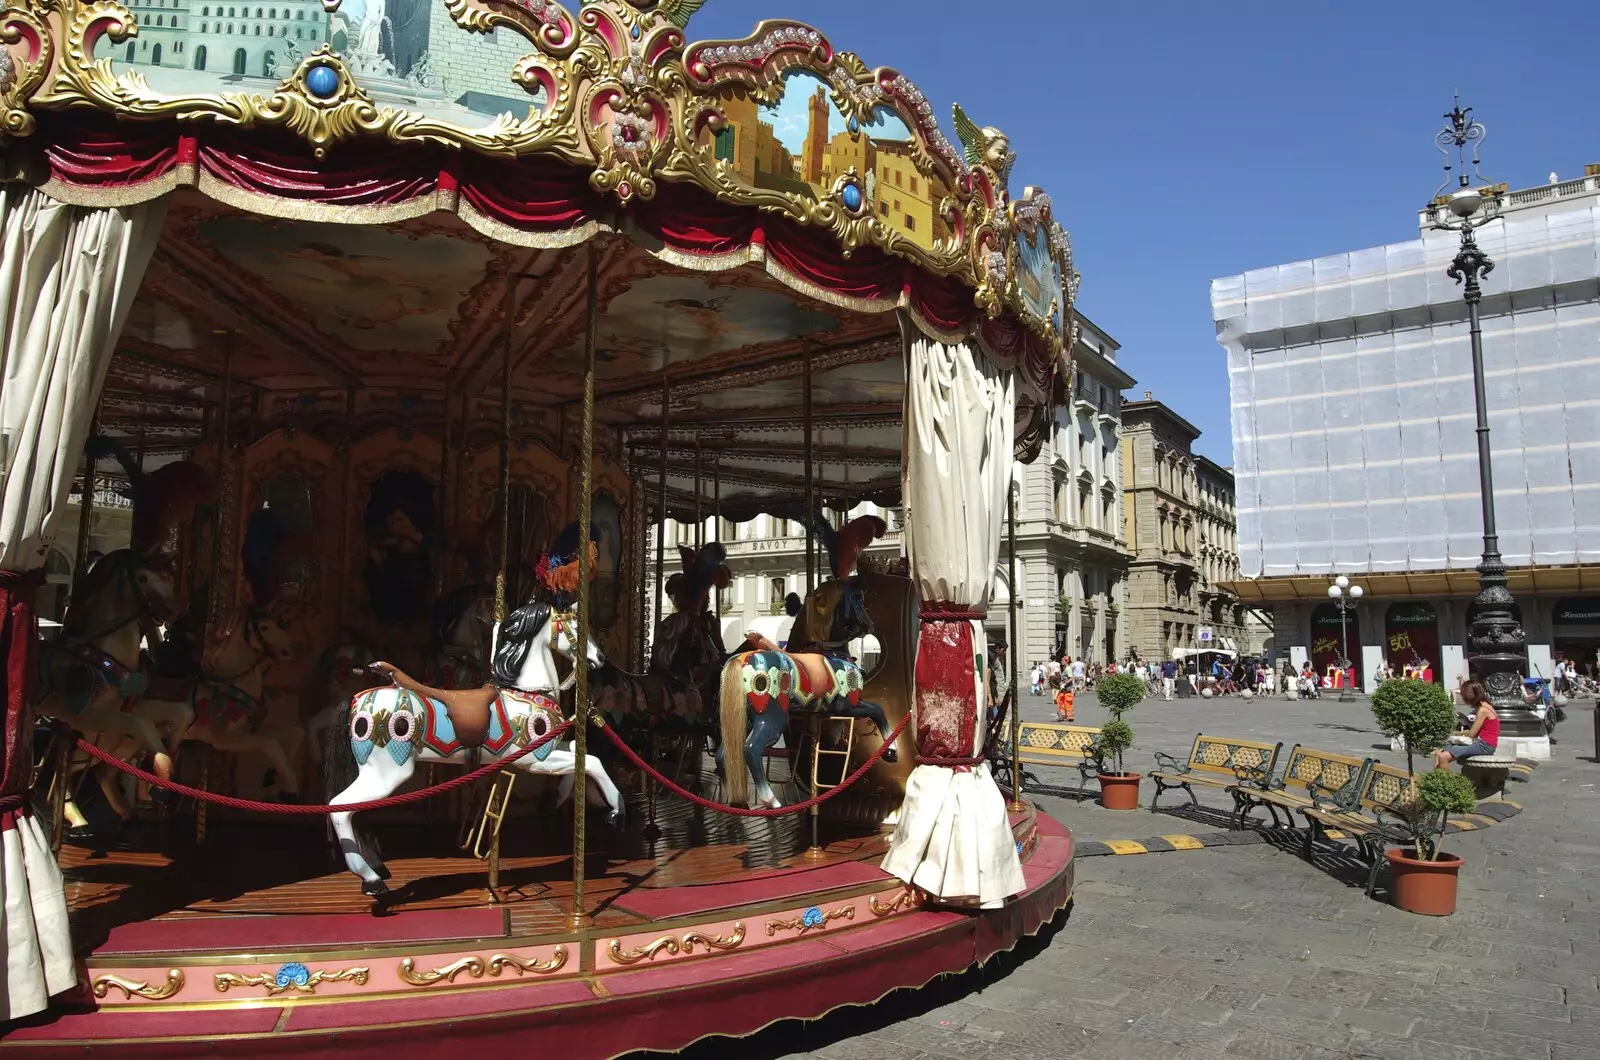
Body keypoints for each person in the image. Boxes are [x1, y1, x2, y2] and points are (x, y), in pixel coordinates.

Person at [1437, 680, 1500, 768]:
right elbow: (1481, 729)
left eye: (1463, 696)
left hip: (1484, 745)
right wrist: (1466, 720)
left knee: (1443, 756)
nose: (1463, 698)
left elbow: (1471, 734)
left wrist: (1456, 733)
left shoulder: (1482, 710)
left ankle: (1444, 781)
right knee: (1441, 750)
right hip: (1484, 743)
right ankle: (1435, 779)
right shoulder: (1484, 705)